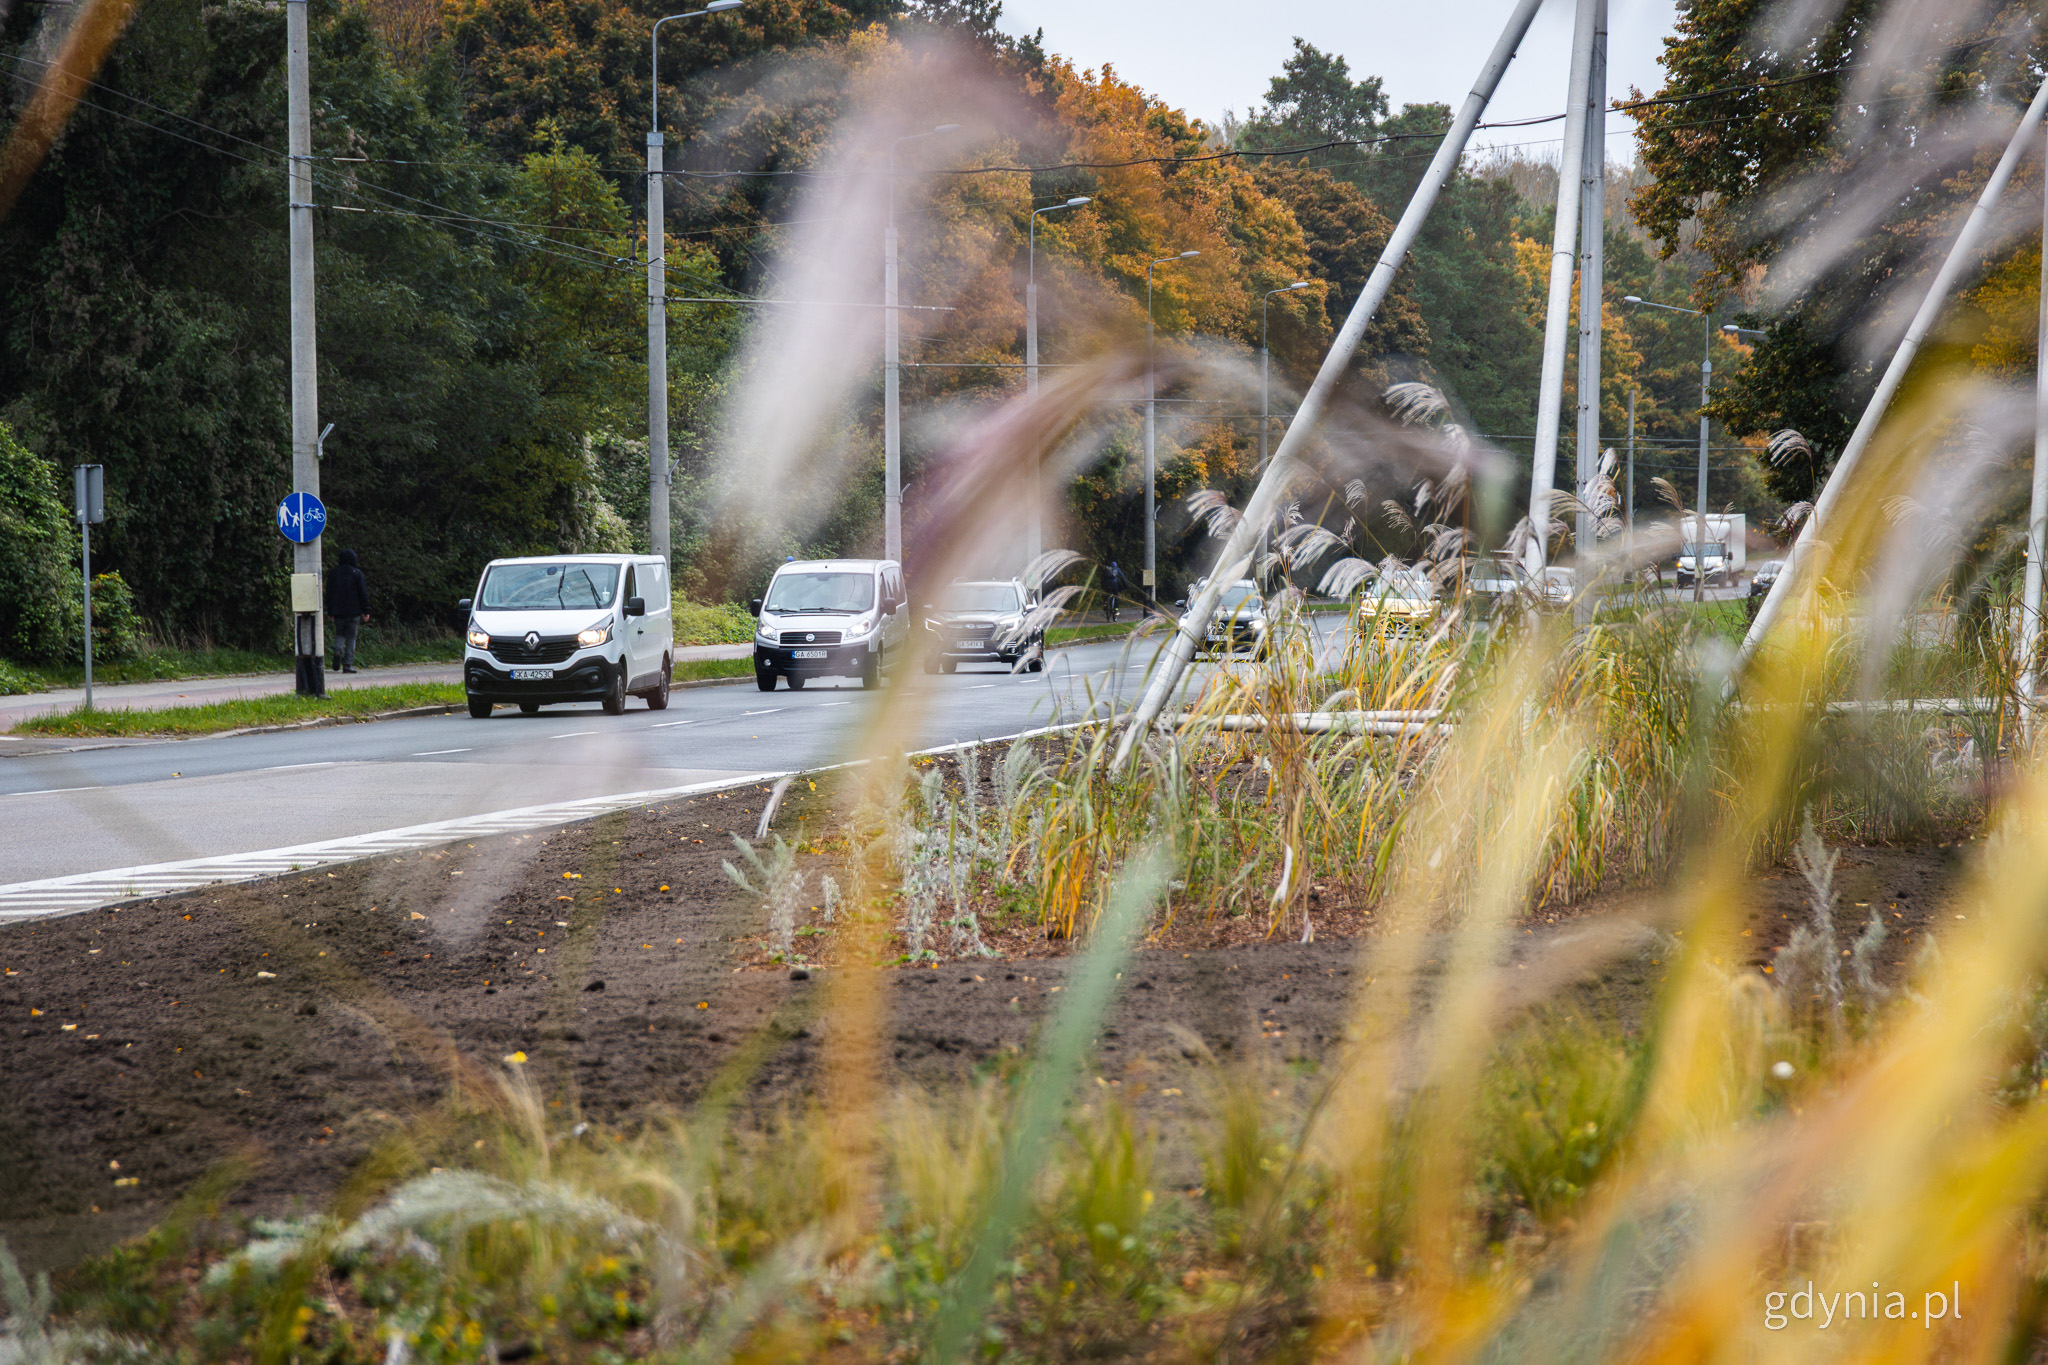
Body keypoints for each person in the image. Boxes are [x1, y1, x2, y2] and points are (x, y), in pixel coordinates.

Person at [326, 548, 371, 673]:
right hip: (354, 611)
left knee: (340, 633)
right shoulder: (357, 573)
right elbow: (363, 593)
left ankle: (337, 651)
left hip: (338, 611)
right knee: (351, 637)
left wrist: (330, 610)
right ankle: (347, 664)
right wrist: (366, 610)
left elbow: (329, 593)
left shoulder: (334, 573)